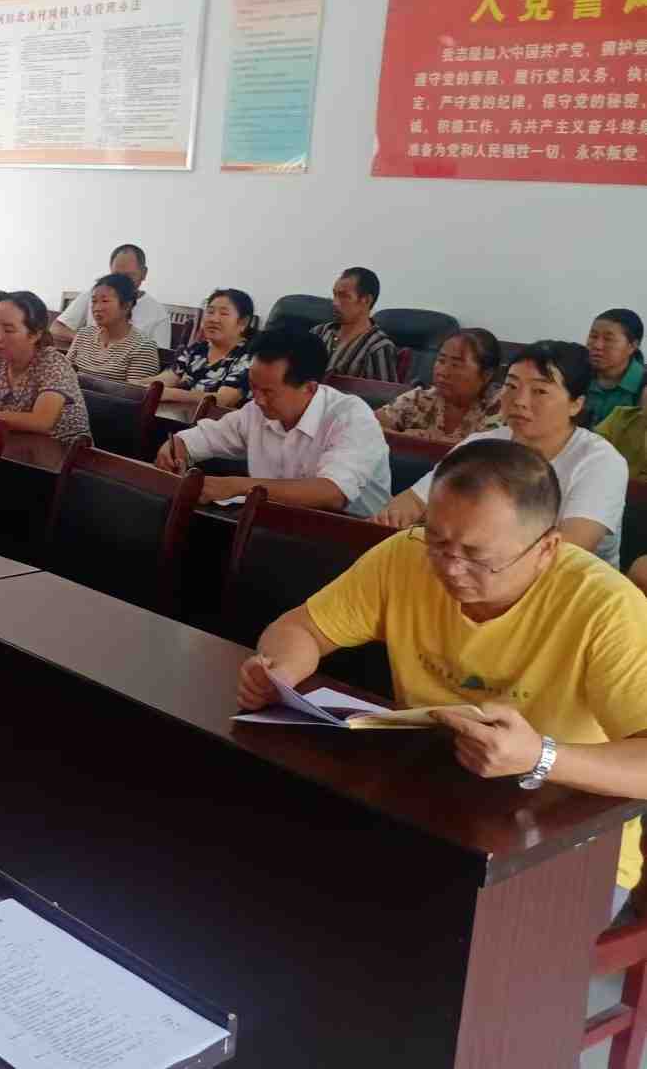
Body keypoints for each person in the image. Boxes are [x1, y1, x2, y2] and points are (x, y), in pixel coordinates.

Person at [239, 439, 647, 921]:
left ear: (546, 549)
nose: (450, 569)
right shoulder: (406, 557)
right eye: (436, 541)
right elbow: (300, 627)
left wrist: (539, 757)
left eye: (477, 556)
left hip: (565, 847)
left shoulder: (605, 608)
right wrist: (281, 670)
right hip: (426, 803)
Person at [375, 341, 627, 566]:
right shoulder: (481, 445)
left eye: (539, 391)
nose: (519, 401)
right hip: (468, 569)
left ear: (576, 404)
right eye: (511, 386)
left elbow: (569, 551)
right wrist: (393, 519)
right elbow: (413, 502)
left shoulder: (600, 463)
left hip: (562, 588)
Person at [155, 327, 391, 516]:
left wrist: (236, 486)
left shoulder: (351, 417)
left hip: (351, 535)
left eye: (268, 392)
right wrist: (176, 447)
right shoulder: (256, 410)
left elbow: (333, 493)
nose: (257, 400)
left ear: (309, 388)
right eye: (253, 387)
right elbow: (205, 437)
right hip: (272, 527)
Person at [0, 291, 89, 444]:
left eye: (8, 330)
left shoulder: (53, 363)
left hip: (61, 453)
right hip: (13, 447)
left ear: (34, 335)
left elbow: (41, 422)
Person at [374, 328, 505, 443]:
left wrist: (441, 442)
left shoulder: (500, 408)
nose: (442, 372)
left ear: (486, 375)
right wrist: (404, 436)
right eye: (441, 361)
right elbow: (369, 426)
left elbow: (491, 453)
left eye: (456, 365)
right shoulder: (420, 398)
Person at [141, 288, 255, 409]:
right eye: (210, 312)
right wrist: (136, 385)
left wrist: (173, 394)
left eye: (224, 314)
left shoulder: (249, 358)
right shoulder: (197, 349)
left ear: (243, 322)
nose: (213, 319)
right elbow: (168, 378)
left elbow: (223, 400)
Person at [50, 244, 170, 347]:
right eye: (116, 275)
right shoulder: (94, 295)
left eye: (129, 276)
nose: (121, 282)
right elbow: (57, 328)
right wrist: (90, 342)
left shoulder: (158, 314)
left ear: (144, 273)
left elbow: (161, 357)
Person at [64, 272, 162, 381]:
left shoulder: (143, 347)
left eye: (105, 301)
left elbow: (134, 390)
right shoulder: (84, 334)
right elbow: (62, 375)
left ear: (126, 306)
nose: (97, 308)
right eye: (94, 301)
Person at [313, 266, 398, 381]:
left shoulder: (378, 347)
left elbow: (385, 392)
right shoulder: (319, 333)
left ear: (366, 300)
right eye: (335, 295)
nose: (335, 303)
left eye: (344, 296)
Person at [586, 308, 645, 427]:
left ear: (633, 346)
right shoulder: (576, 374)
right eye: (593, 336)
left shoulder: (643, 386)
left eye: (608, 339)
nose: (597, 345)